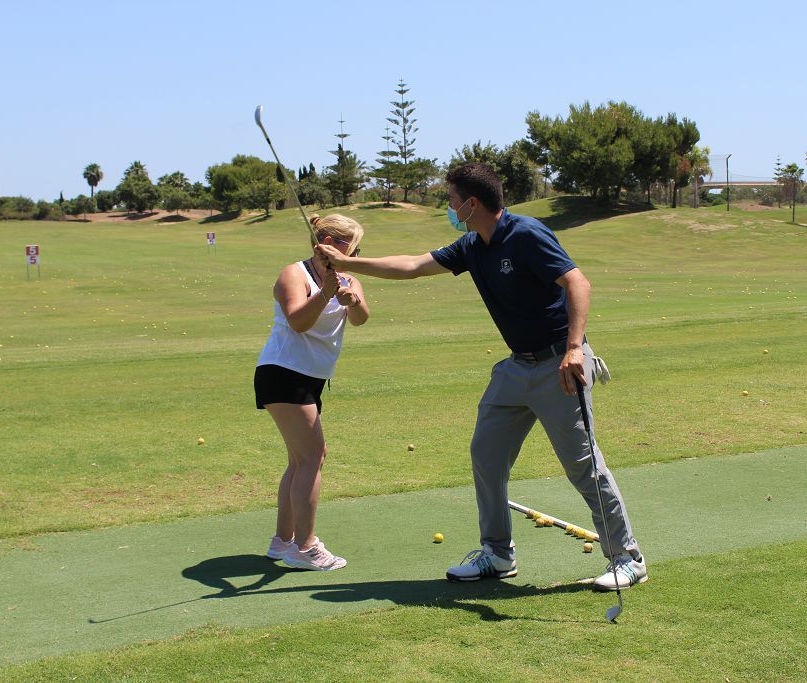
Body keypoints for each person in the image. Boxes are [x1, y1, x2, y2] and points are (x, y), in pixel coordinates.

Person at [316, 163, 646, 591]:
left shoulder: (526, 234)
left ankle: (627, 557)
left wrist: (573, 349)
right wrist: (346, 261)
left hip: (559, 365)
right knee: (486, 456)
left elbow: (577, 283)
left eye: (452, 199)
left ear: (472, 203)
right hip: (515, 368)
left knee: (583, 466)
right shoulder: (472, 245)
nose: (448, 206)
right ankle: (497, 554)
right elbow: (414, 265)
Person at [255, 213, 370, 570]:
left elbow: (362, 317)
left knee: (302, 459)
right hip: (284, 371)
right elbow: (298, 322)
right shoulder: (294, 273)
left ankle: (282, 542)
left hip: (309, 377)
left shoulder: (348, 278)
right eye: (352, 247)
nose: (354, 254)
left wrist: (351, 300)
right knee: (312, 456)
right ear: (330, 244)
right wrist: (325, 293)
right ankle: (305, 548)